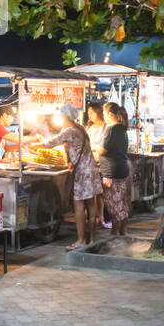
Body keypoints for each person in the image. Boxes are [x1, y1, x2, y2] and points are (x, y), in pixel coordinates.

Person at [32, 104, 102, 248]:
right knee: (90, 204)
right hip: (92, 169)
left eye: (60, 117)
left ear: (65, 118)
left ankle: (81, 240)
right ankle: (92, 239)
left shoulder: (69, 131)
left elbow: (51, 143)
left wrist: (34, 145)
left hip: (83, 172)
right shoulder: (79, 128)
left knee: (79, 204)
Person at [100, 102, 132, 234]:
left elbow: (103, 150)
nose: (103, 116)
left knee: (114, 205)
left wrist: (91, 146)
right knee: (121, 203)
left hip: (111, 172)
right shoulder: (122, 128)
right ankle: (122, 233)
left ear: (110, 114)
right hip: (121, 169)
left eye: (104, 114)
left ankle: (116, 234)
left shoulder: (111, 129)